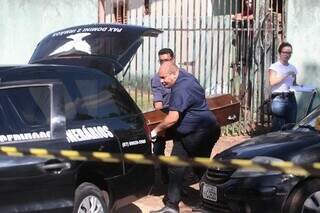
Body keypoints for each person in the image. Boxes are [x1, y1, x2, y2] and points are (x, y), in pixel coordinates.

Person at [150, 62, 221, 213]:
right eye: (160, 78)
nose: (161, 82)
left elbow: (172, 118)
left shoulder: (182, 88)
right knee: (175, 167)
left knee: (199, 169)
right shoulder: (184, 76)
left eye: (164, 78)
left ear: (174, 74)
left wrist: (155, 131)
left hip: (202, 133)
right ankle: (172, 206)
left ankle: (209, 205)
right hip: (186, 134)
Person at [151, 48, 174, 185]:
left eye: (167, 60)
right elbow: (158, 104)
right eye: (161, 61)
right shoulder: (156, 79)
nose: (164, 63)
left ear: (173, 59)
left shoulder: (182, 75)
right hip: (165, 115)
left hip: (180, 115)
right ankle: (164, 177)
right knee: (158, 147)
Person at [269, 42, 298, 131]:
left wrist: (303, 87)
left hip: (291, 98)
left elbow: (293, 84)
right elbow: (272, 82)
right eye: (284, 52)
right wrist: (285, 74)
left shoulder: (293, 68)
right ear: (280, 53)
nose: (287, 55)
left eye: (289, 53)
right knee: (278, 127)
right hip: (279, 98)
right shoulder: (274, 66)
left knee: (291, 126)